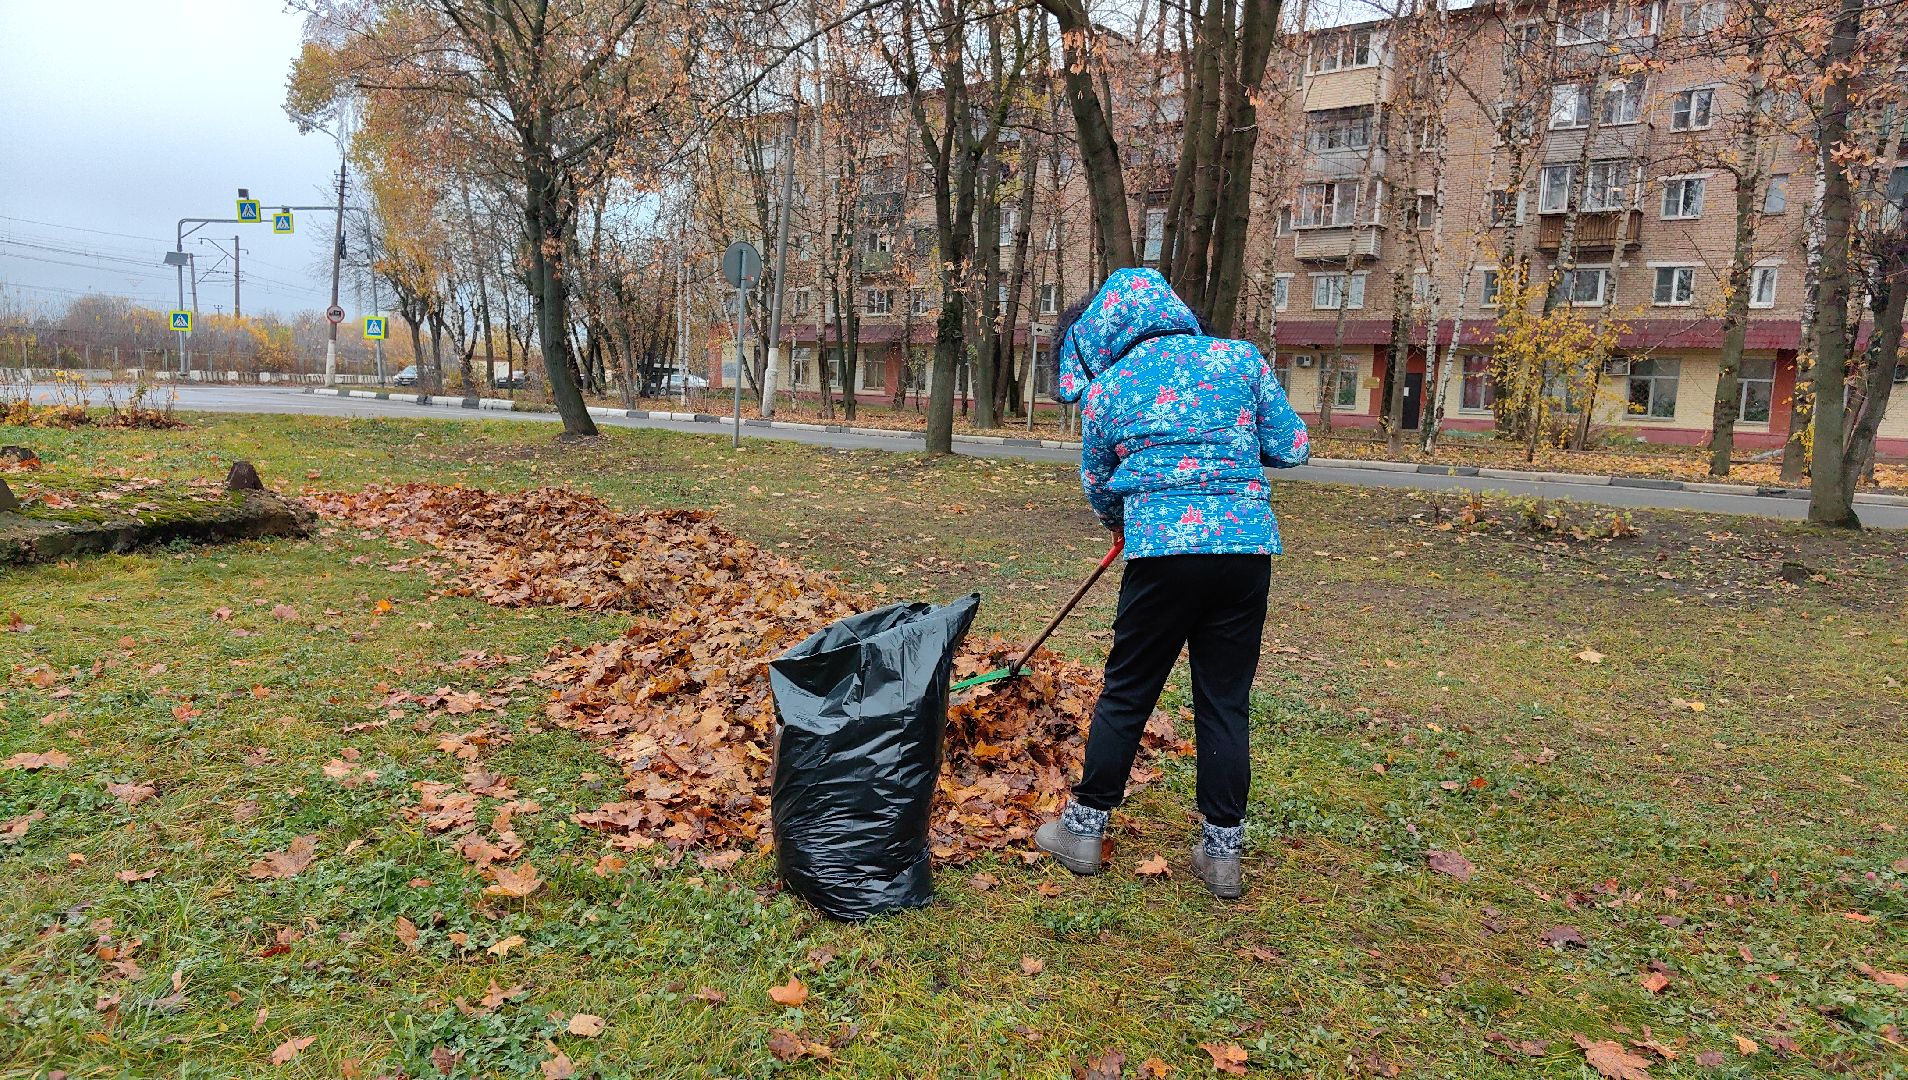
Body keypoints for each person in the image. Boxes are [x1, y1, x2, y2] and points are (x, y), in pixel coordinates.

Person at [1033, 267, 1310, 900]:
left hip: (1160, 556)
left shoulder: (1109, 389)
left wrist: (1126, 521)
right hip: (1244, 554)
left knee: (1128, 690)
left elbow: (1099, 485)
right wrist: (1226, 447)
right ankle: (1222, 856)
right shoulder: (1239, 360)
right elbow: (1292, 445)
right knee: (1223, 699)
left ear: (1106, 327)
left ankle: (1083, 830)